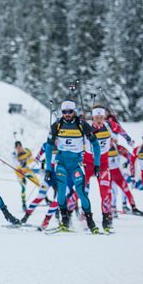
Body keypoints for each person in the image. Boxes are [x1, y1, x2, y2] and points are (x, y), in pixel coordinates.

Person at [43, 100, 102, 233]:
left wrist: (97, 164)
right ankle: (64, 222)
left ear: (74, 111)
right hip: (62, 163)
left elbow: (96, 145)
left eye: (70, 112)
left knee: (81, 193)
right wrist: (48, 168)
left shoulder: (82, 125)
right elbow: (48, 147)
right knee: (61, 194)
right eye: (64, 112)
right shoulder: (57, 125)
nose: (67, 114)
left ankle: (91, 222)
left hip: (76, 164)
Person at [83, 106, 118, 232]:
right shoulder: (86, 127)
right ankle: (83, 217)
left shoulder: (108, 126)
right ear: (92, 118)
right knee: (81, 191)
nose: (99, 120)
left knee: (105, 192)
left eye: (101, 118)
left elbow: (121, 131)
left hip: (103, 165)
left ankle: (106, 220)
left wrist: (128, 140)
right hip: (87, 163)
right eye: (96, 118)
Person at [13, 141, 38, 211]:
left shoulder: (26, 151)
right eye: (17, 147)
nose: (18, 148)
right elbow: (16, 164)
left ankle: (45, 198)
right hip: (19, 172)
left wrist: (29, 161)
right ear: (15, 148)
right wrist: (22, 175)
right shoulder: (14, 154)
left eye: (19, 146)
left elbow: (31, 158)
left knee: (37, 182)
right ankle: (23, 203)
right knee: (23, 186)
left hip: (27, 170)